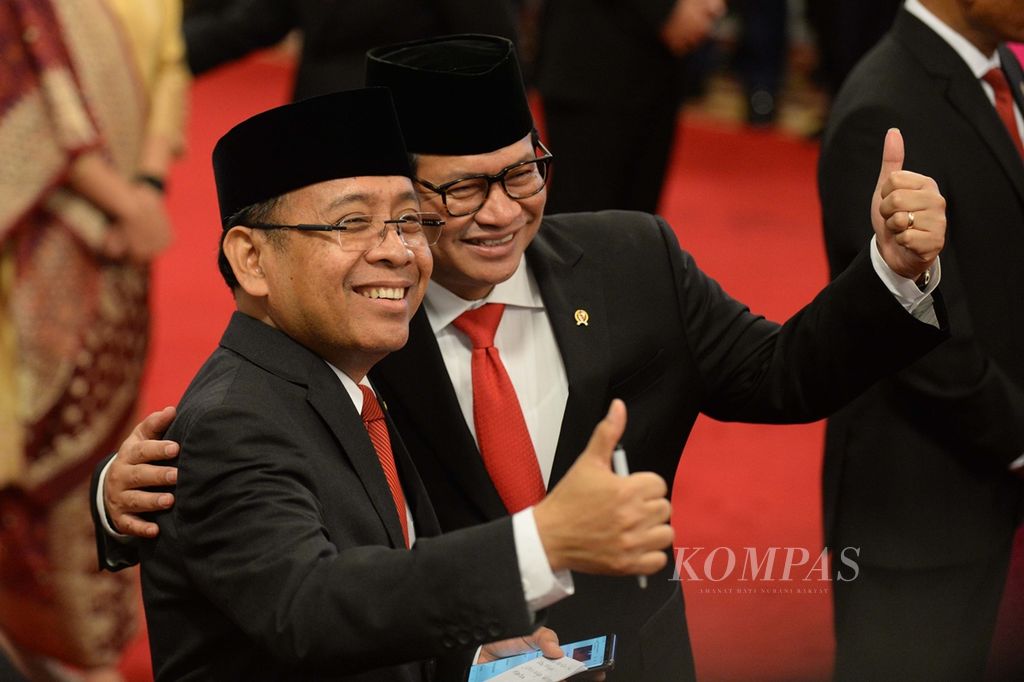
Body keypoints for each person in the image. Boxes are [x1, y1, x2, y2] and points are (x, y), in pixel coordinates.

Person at [96, 34, 951, 682]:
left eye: (523, 175)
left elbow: (784, 373)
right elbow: (264, 494)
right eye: (458, 190)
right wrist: (119, 500)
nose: (499, 212)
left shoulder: (631, 264)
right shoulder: (360, 326)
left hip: (637, 657)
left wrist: (891, 274)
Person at [137, 86, 674, 681]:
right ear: (252, 261)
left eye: (408, 221)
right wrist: (540, 541)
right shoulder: (233, 421)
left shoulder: (349, 380)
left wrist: (468, 657)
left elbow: (373, 598)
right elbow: (311, 606)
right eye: (352, 223)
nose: (398, 252)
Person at [817, 1, 1024, 679]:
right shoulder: (882, 110)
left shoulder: (1000, 74)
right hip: (915, 506)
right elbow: (918, 334)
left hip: (982, 477)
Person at [0, 0, 186, 677]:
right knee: (32, 448)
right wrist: (128, 201)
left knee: (103, 443)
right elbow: (33, 102)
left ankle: (81, 644)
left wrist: (147, 186)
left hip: (118, 251)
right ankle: (45, 645)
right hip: (34, 247)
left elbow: (171, 72)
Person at [535, 0, 725, 213]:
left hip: (659, 66)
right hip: (594, 58)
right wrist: (667, 9)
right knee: (582, 217)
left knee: (639, 221)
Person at [183, 0, 519, 100]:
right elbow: (256, 21)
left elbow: (488, 45)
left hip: (407, 140)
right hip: (316, 131)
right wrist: (161, 57)